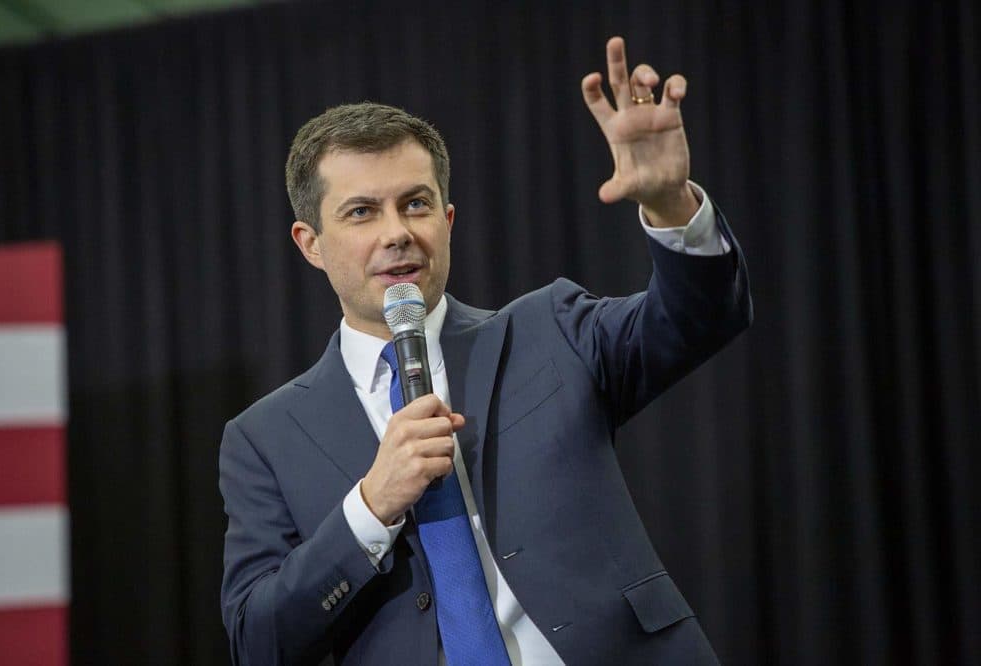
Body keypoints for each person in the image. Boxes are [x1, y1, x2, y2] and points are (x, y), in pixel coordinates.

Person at [219, 36, 751, 665]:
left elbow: (699, 319)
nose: (397, 233)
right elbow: (258, 639)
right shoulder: (265, 437)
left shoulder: (547, 331)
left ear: (446, 219)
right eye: (362, 212)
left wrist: (668, 203)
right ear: (310, 243)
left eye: (414, 204)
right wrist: (370, 507)